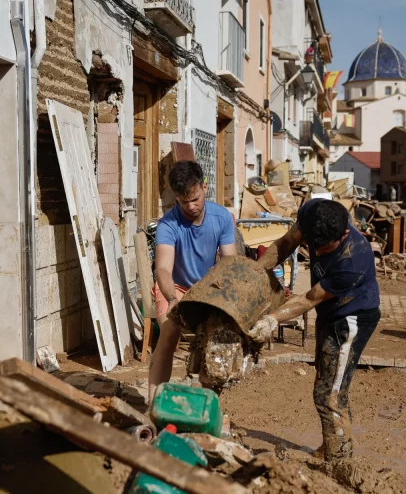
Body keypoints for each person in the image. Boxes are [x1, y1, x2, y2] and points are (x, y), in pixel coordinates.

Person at [253, 199, 380, 461]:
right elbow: (286, 243)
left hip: (351, 319)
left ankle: (338, 462)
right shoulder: (313, 214)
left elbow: (310, 298)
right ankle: (338, 443)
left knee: (328, 394)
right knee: (330, 383)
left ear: (344, 233)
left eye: (325, 249)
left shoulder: (353, 260)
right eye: (313, 246)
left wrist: (272, 319)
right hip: (330, 313)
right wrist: (255, 274)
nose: (318, 254)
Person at [149, 161, 236, 401]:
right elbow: (163, 270)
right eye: (183, 201)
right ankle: (153, 403)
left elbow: (229, 264)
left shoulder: (222, 217)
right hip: (174, 287)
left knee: (217, 338)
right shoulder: (168, 224)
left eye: (195, 199)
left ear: (204, 187)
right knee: (169, 332)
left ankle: (208, 404)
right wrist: (172, 299)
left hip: (207, 288)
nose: (190, 206)